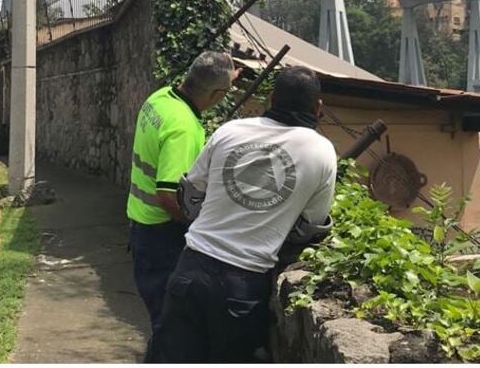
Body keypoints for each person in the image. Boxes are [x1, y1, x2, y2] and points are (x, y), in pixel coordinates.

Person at [148, 66, 337, 363]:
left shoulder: (230, 130)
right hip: (244, 285)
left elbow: (190, 192)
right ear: (319, 108)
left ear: (272, 98)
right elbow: (310, 228)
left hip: (190, 268)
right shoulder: (322, 152)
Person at [126, 50, 237, 332]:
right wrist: (202, 227)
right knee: (171, 327)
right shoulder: (184, 129)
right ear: (217, 94)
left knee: (162, 317)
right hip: (161, 237)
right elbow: (167, 196)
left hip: (140, 224)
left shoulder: (160, 99)